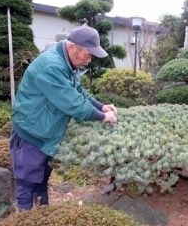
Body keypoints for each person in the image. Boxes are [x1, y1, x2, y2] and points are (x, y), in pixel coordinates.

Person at [10, 25, 117, 211]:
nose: (89, 60)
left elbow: (77, 91)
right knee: (27, 183)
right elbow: (73, 103)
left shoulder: (67, 63)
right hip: (31, 134)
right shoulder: (52, 65)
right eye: (89, 55)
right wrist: (102, 117)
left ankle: (42, 217)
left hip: (46, 133)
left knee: (41, 179)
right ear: (74, 47)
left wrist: (101, 106)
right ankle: (26, 220)